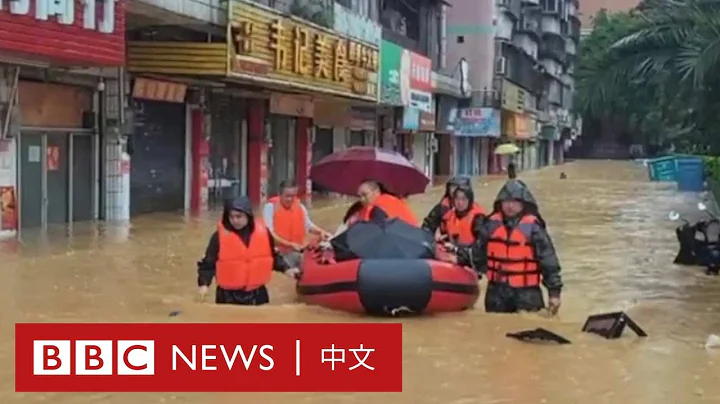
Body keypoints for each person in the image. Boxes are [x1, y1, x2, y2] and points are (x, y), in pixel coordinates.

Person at [476, 179, 563, 314]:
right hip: (496, 293)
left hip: (527, 293)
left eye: (515, 202)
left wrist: (554, 293)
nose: (510, 206)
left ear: (523, 204)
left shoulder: (534, 228)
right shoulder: (490, 225)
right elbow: (476, 253)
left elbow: (548, 261)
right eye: (507, 201)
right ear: (501, 203)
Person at [197, 196, 299, 305]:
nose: (235, 220)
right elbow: (208, 264)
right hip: (228, 296)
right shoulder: (218, 237)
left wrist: (286, 269)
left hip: (257, 294)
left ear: (248, 215)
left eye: (239, 216)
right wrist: (204, 284)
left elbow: (272, 257)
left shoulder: (263, 233)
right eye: (231, 217)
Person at [263, 180, 330, 268]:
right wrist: (290, 244)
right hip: (278, 254)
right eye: (287, 196)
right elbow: (269, 235)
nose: (290, 199)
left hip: (298, 251)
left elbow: (309, 226)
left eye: (293, 196)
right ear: (279, 194)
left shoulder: (300, 207)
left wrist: (322, 232)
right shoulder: (270, 208)